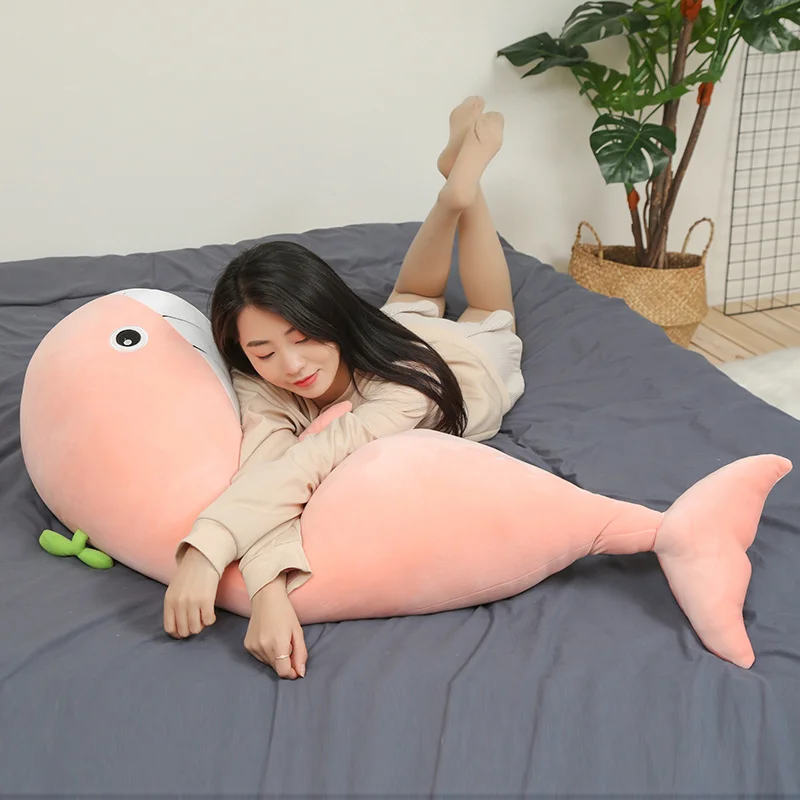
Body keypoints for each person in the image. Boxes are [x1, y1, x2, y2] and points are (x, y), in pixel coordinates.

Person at [163, 97, 525, 679]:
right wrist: (268, 593)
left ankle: (463, 195)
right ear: (243, 350)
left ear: (328, 312)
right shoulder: (263, 373)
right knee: (411, 299)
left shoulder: (408, 393)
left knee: (489, 311)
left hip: (457, 363)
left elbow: (305, 464)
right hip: (391, 330)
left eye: (303, 335)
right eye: (263, 351)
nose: (291, 365)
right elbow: (263, 466)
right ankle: (451, 186)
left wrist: (207, 548)